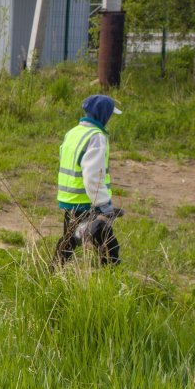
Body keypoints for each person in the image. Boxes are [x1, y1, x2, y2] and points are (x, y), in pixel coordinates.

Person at [54, 94, 122, 266]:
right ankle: (111, 274)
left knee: (68, 242)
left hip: (69, 199)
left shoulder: (73, 133)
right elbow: (93, 177)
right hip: (87, 202)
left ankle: (54, 273)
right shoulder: (96, 137)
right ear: (104, 114)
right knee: (109, 246)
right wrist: (104, 206)